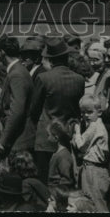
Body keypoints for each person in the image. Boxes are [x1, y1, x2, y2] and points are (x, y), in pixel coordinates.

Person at [30, 35, 85, 183]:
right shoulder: (79, 79)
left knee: (45, 180)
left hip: (46, 138)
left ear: (50, 59)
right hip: (67, 136)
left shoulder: (43, 78)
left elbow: (33, 110)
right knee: (65, 181)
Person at [0, 35, 34, 157]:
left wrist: (3, 140)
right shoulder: (19, 70)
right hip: (18, 138)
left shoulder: (16, 73)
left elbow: (17, 110)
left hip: (18, 140)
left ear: (2, 52)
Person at [71, 94, 109, 211]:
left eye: (89, 112)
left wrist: (77, 131)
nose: (85, 115)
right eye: (83, 112)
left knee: (94, 202)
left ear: (99, 112)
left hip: (93, 169)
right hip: (96, 168)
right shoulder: (97, 124)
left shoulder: (94, 126)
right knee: (95, 201)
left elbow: (81, 145)